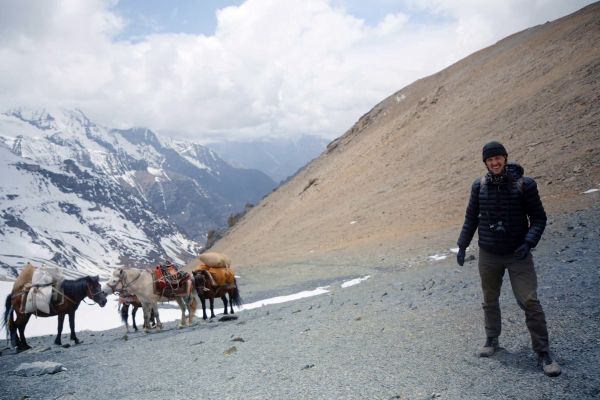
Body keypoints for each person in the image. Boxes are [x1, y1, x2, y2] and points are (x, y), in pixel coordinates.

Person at [456, 140, 561, 377]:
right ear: (485, 162)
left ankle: (543, 352)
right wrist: (462, 246)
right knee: (489, 298)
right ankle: (492, 340)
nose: (494, 162)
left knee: (530, 301)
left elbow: (539, 218)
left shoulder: (525, 185)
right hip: (489, 253)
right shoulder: (479, 186)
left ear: (505, 158)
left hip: (517, 254)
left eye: (498, 157)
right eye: (490, 159)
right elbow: (471, 218)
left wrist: (528, 242)